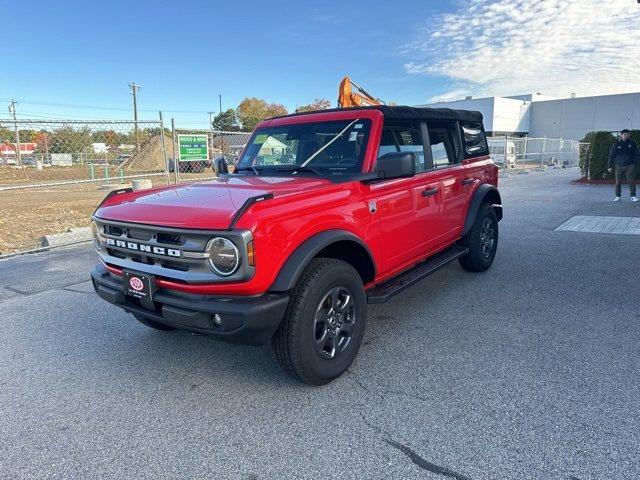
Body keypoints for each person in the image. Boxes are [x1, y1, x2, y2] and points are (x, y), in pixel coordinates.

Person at [608, 129, 639, 202]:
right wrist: (609, 166)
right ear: (621, 135)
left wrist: (634, 163)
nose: (626, 136)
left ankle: (633, 196)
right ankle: (617, 196)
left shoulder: (632, 143)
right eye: (625, 134)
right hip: (619, 166)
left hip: (630, 166)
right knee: (618, 182)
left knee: (631, 181)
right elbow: (611, 155)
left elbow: (637, 154)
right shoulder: (616, 144)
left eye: (628, 134)